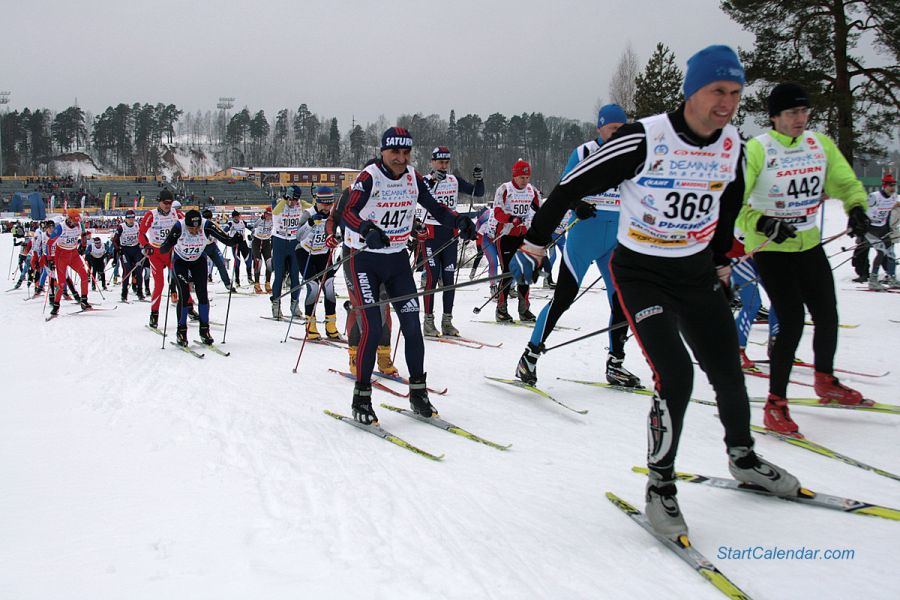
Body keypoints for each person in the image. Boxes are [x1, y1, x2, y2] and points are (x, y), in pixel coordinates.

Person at [510, 45, 801, 538]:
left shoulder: (732, 145)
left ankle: (743, 457)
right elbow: (566, 188)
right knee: (676, 375)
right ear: (692, 90)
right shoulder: (644, 137)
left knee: (728, 368)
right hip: (641, 271)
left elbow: (726, 204)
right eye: (717, 91)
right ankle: (660, 486)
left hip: (692, 272)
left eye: (735, 93)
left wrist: (727, 255)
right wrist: (536, 244)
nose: (727, 102)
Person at [737, 82, 871, 436]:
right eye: (792, 113)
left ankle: (825, 379)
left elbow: (845, 181)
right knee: (792, 318)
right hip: (772, 250)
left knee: (827, 312)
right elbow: (734, 202)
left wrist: (856, 207)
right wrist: (762, 221)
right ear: (775, 117)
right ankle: (775, 403)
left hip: (808, 244)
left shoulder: (818, 144)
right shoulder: (758, 150)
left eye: (804, 112)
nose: (800, 119)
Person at [341, 127, 476, 425]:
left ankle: (418, 392)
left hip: (398, 261)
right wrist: (367, 229)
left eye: (406, 153)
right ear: (383, 151)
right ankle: (361, 395)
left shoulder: (413, 177)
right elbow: (347, 212)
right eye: (395, 152)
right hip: (363, 260)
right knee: (373, 327)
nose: (401, 159)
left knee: (413, 327)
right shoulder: (370, 176)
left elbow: (435, 208)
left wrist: (458, 221)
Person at [515, 104, 642, 388]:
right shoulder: (584, 153)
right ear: (600, 128)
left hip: (616, 239)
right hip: (585, 236)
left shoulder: (631, 156)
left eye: (622, 130)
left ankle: (616, 364)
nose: (618, 135)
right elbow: (565, 189)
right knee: (563, 298)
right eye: (613, 130)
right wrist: (577, 204)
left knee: (621, 300)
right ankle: (530, 356)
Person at [326, 183, 401, 377]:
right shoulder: (351, 192)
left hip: (384, 254)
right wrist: (331, 234)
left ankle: (383, 356)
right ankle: (355, 354)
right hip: (354, 255)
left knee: (383, 304)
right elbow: (332, 218)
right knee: (359, 305)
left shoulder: (392, 189)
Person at [419, 147, 485, 337]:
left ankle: (447, 321)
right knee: (431, 279)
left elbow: (477, 193)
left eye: (446, 162)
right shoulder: (425, 181)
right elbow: (421, 195)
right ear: (432, 162)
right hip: (431, 234)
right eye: (439, 162)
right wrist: (433, 181)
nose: (443, 166)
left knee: (449, 280)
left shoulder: (453, 180)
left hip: (450, 234)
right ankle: (428, 322)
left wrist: (479, 179)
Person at [159, 209, 237, 346]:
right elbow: (165, 246)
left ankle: (204, 330)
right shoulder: (179, 226)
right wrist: (168, 244)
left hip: (198, 260)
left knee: (202, 295)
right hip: (181, 262)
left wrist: (235, 240)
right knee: (183, 295)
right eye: (191, 229)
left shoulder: (207, 225)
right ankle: (181, 332)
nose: (195, 231)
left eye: (197, 228)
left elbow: (226, 239)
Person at [490, 160, 541, 322]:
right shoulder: (505, 189)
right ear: (514, 175)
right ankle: (501, 309)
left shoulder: (532, 191)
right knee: (508, 272)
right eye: (521, 177)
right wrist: (511, 219)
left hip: (524, 236)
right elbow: (497, 212)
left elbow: (538, 212)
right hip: (505, 236)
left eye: (527, 177)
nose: (524, 181)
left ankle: (524, 309)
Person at [295, 186, 341, 340]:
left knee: (329, 286)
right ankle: (311, 327)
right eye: (324, 204)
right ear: (317, 201)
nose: (327, 208)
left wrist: (337, 239)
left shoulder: (333, 215)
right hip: (305, 252)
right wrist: (310, 223)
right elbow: (298, 237)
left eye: (330, 204)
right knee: (313, 287)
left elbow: (339, 232)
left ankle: (331, 326)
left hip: (323, 253)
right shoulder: (308, 213)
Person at [139, 189, 185, 328]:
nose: (167, 205)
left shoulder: (176, 213)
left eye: (170, 203)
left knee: (181, 280)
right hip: (156, 253)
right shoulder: (150, 215)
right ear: (159, 201)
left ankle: (188, 309)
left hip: (171, 251)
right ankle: (154, 315)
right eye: (165, 203)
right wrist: (146, 245)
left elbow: (187, 226)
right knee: (159, 284)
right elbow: (141, 234)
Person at [47, 209, 92, 315]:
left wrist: (83, 246)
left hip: (74, 254)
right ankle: (56, 306)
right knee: (62, 284)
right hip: (61, 256)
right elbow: (50, 243)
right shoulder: (61, 227)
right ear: (69, 219)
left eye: (78, 221)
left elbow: (84, 234)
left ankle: (84, 301)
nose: (77, 223)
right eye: (75, 221)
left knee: (84, 275)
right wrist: (50, 259)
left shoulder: (79, 225)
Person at [270, 186, 305, 319]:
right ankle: (276, 305)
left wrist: (314, 198)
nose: (293, 202)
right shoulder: (279, 203)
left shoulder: (300, 204)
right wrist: (285, 199)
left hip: (294, 241)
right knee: (279, 276)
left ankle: (294, 305)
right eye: (290, 199)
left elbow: (313, 206)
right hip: (279, 241)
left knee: (295, 276)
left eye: (295, 199)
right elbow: (275, 210)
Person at [864, 173, 898, 289]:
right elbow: (862, 211)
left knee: (891, 253)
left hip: (883, 228)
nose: (892, 188)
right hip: (871, 230)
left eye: (894, 185)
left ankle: (892, 278)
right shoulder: (874, 196)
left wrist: (890, 228)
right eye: (890, 185)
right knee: (881, 252)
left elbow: (890, 211)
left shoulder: (893, 197)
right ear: (884, 186)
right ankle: (873, 281)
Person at [113, 209, 145, 302]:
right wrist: (118, 249)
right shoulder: (121, 227)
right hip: (125, 250)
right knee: (127, 271)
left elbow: (143, 236)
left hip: (136, 250)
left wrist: (146, 245)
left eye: (133, 218)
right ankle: (124, 294)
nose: (131, 220)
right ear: (125, 219)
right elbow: (115, 240)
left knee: (139, 271)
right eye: (129, 218)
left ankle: (140, 293)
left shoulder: (137, 225)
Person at [223, 209, 253, 287]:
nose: (237, 218)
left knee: (248, 261)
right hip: (235, 244)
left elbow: (251, 228)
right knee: (237, 262)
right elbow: (224, 231)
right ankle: (237, 280)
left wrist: (254, 231)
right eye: (235, 217)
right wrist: (227, 237)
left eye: (238, 216)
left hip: (243, 243)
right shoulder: (230, 224)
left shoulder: (243, 222)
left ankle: (250, 278)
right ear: (232, 217)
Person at [249, 206, 274, 294]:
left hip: (266, 241)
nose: (269, 216)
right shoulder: (260, 220)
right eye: (267, 214)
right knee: (258, 261)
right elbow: (252, 229)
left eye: (270, 215)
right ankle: (257, 283)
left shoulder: (273, 221)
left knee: (269, 262)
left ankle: (267, 283)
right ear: (264, 214)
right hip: (257, 241)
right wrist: (252, 235)